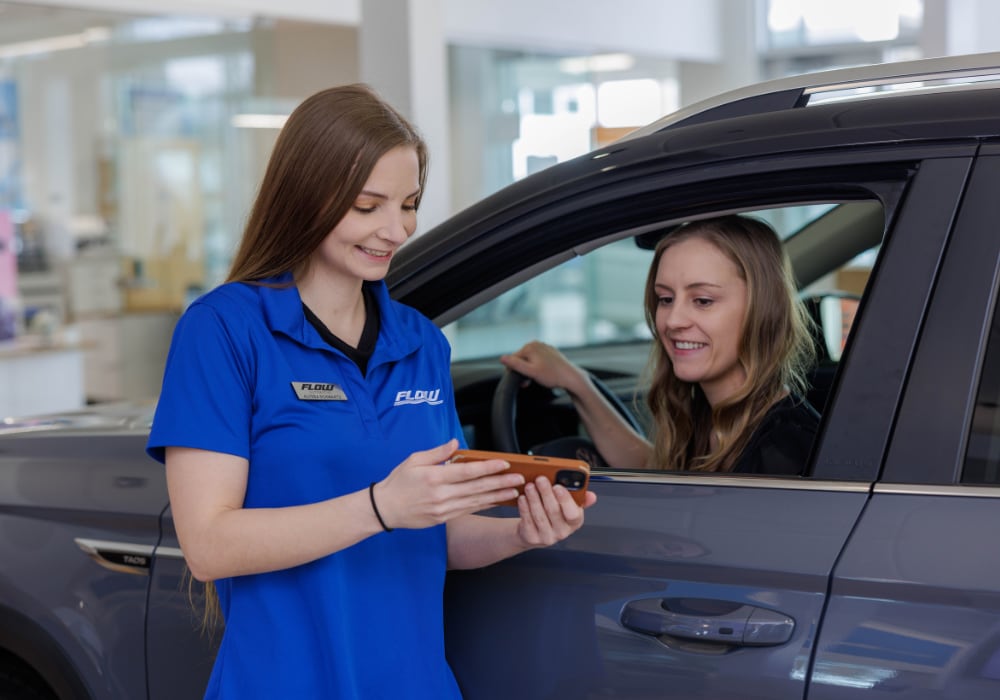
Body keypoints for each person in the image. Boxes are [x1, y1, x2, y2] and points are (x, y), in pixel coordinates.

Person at [145, 83, 596, 700]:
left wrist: (521, 533)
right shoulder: (224, 329)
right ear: (306, 197)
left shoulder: (420, 342)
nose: (396, 229)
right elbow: (208, 546)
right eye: (367, 205)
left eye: (408, 204)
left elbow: (441, 533)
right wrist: (380, 506)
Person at [501, 214, 819, 475]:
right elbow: (655, 470)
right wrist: (576, 383)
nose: (671, 320)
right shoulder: (711, 412)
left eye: (703, 300)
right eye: (665, 298)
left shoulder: (785, 453)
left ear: (762, 310)